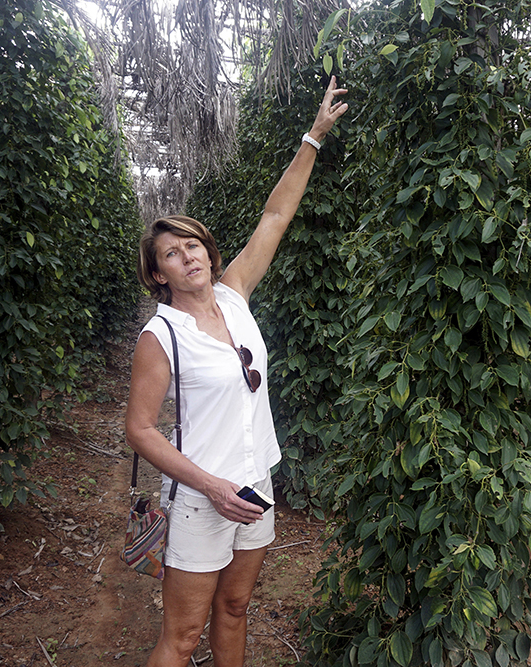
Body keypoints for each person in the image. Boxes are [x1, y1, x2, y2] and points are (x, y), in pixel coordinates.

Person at [124, 76, 349, 667]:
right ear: (158, 275)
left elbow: (276, 215)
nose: (188, 256)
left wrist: (314, 136)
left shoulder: (235, 295)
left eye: (193, 245)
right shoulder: (161, 334)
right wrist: (213, 487)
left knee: (236, 608)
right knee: (183, 634)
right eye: (172, 253)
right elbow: (141, 431)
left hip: (255, 484)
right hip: (204, 495)